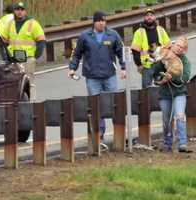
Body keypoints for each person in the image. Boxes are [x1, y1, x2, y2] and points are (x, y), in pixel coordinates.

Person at [68, 11, 126, 139]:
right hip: (92, 77)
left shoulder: (112, 35)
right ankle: (99, 132)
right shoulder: (85, 36)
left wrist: (123, 67)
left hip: (109, 75)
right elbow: (76, 53)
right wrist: (73, 68)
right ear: (94, 22)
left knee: (114, 104)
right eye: (99, 20)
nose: (102, 23)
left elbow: (121, 52)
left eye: (104, 20)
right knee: (96, 106)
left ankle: (119, 131)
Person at [1, 1, 46, 101]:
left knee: (29, 82)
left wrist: (35, 56)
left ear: (25, 11)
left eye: (22, 10)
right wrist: (5, 55)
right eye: (17, 9)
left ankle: (31, 104)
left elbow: (41, 40)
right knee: (14, 83)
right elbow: (3, 41)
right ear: (14, 11)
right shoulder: (10, 24)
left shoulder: (32, 23)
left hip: (28, 59)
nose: (20, 12)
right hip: (13, 59)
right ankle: (18, 103)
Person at [153, 36, 191, 153]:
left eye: (182, 47)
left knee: (179, 115)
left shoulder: (184, 61)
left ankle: (182, 143)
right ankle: (167, 143)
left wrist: (172, 77)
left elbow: (185, 77)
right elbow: (155, 75)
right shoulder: (164, 54)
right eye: (178, 45)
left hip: (179, 93)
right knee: (166, 119)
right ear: (173, 45)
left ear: (184, 50)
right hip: (165, 93)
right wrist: (161, 76)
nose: (179, 48)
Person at [131, 8, 170, 88]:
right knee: (146, 90)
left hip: (160, 64)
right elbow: (135, 50)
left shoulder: (161, 30)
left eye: (151, 15)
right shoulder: (139, 32)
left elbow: (168, 46)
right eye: (147, 15)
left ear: (154, 17)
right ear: (144, 18)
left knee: (162, 88)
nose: (149, 17)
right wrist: (139, 64)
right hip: (146, 66)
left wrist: (168, 62)